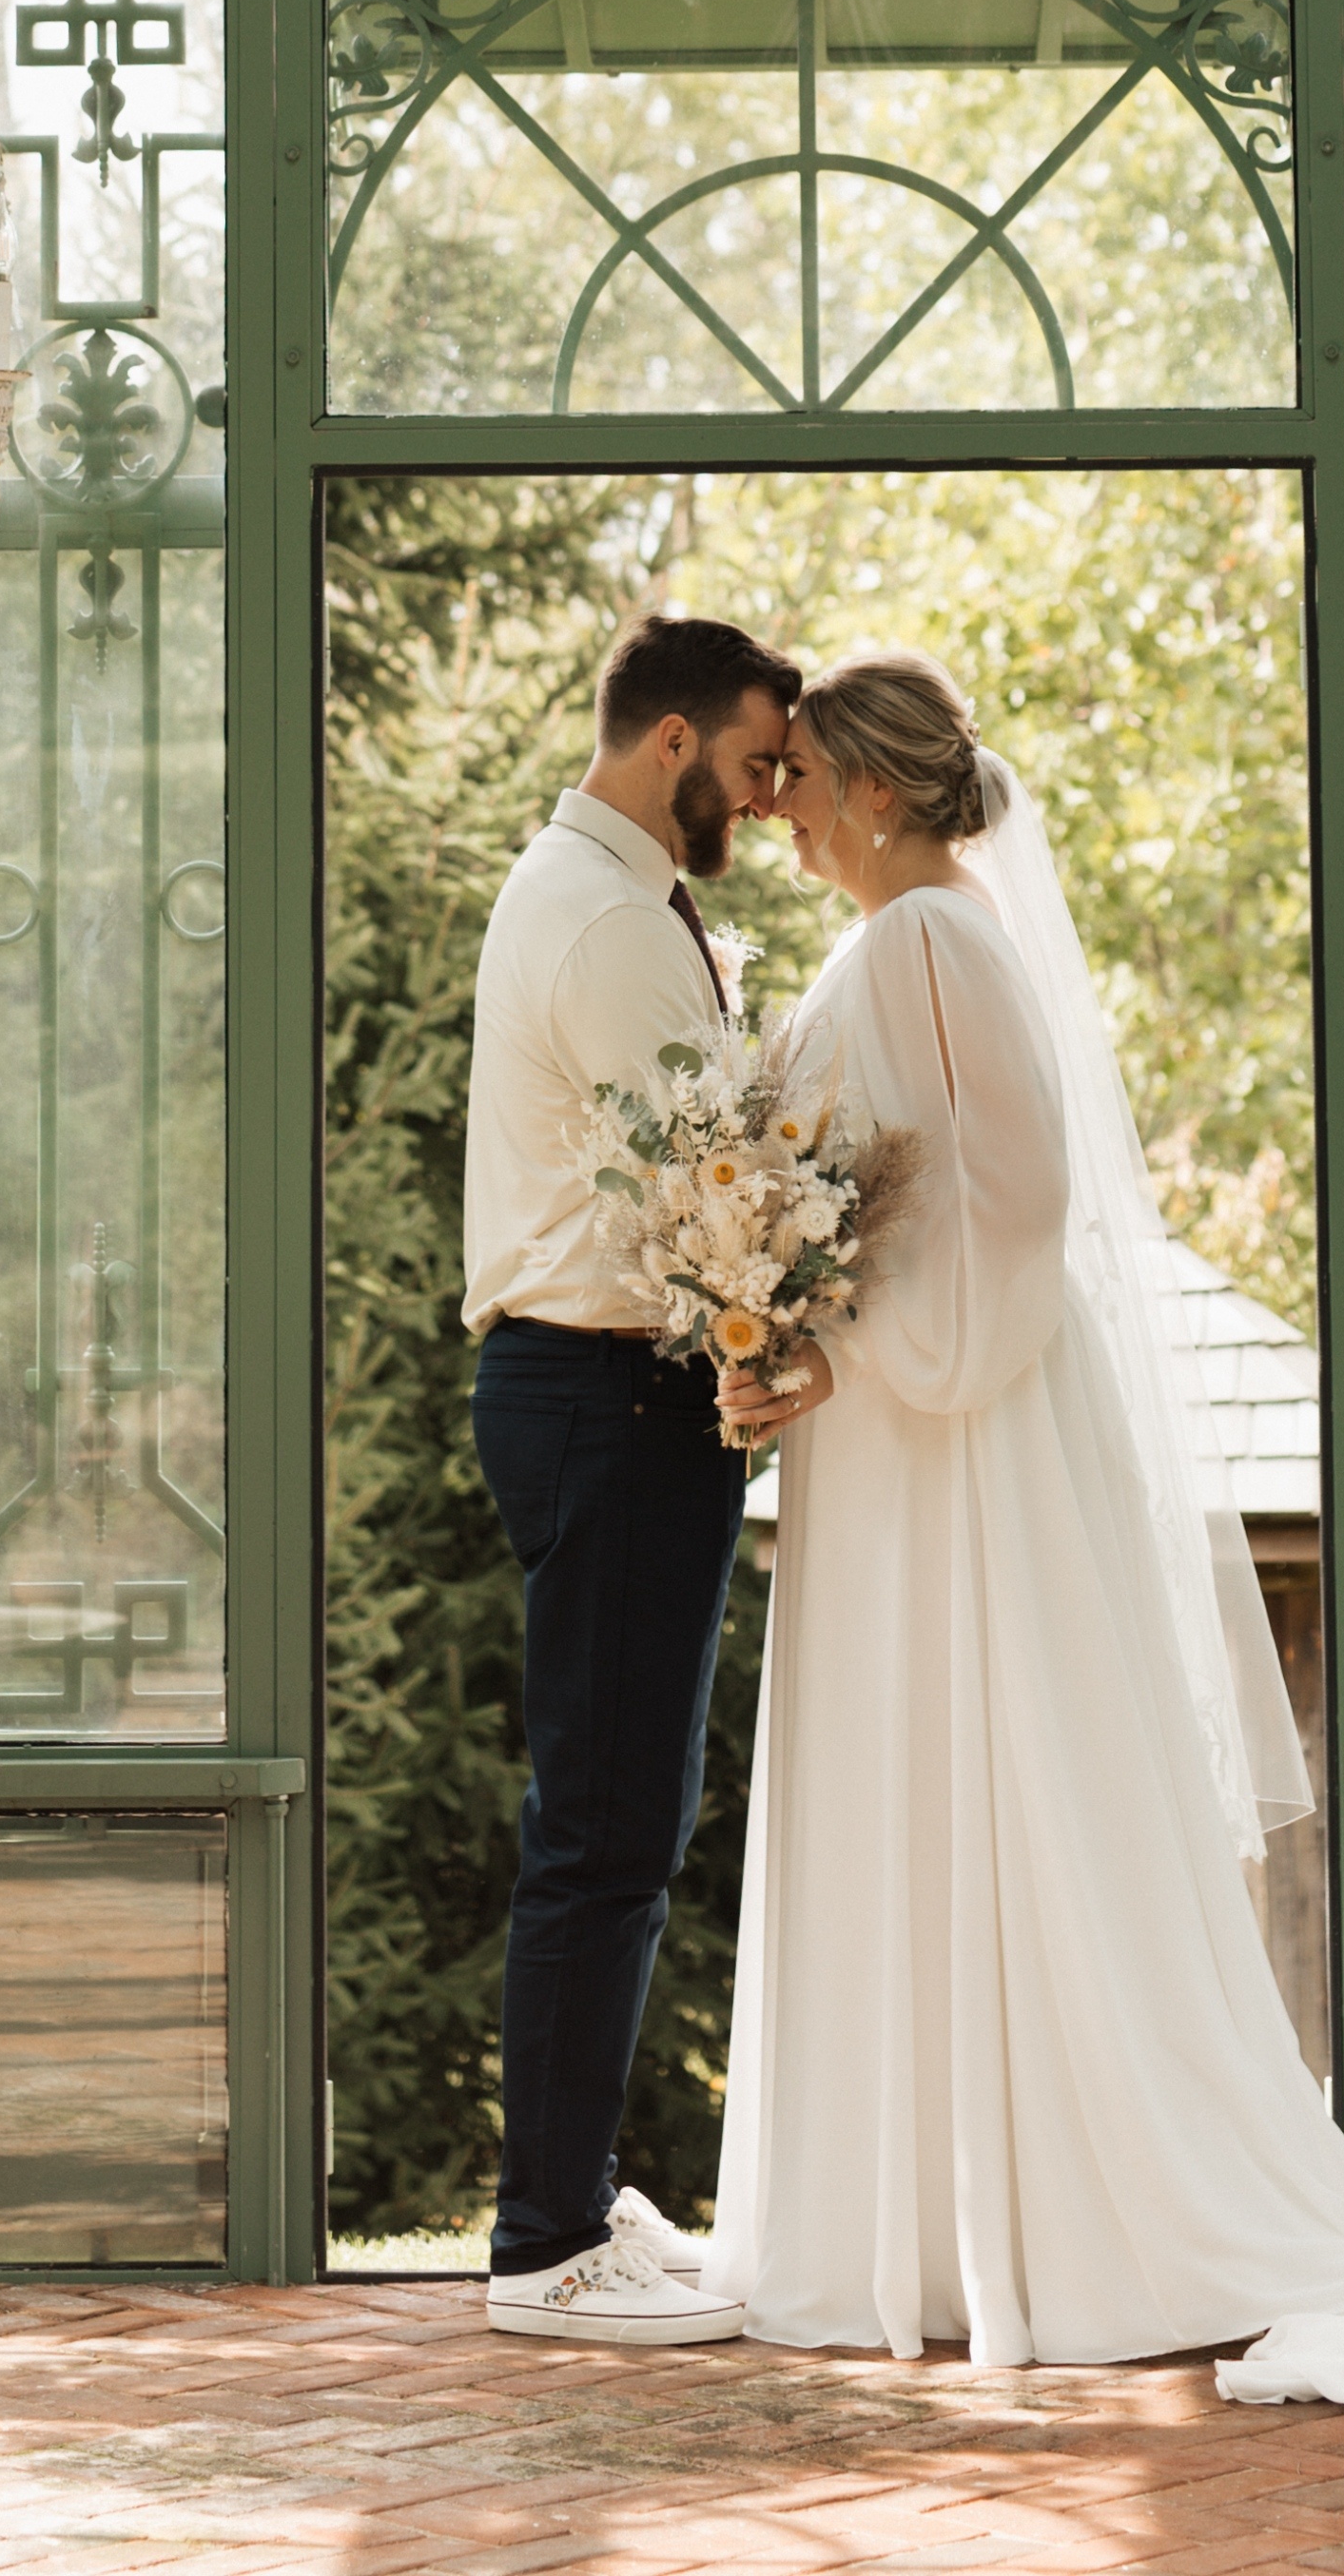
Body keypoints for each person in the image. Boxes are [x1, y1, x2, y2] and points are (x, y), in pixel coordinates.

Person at [707, 647, 1344, 2431]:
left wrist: (858, 1330)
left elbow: (1016, 1196)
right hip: (896, 1419)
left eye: (796, 779)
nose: (775, 810)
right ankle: (935, 2215)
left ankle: (1027, 2215)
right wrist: (785, 1319)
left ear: (866, 788)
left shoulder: (932, 937)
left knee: (996, 1766)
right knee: (928, 1772)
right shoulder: (905, 940)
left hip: (963, 1423)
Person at [463, 605, 798, 2349]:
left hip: (605, 1393)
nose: (761, 797)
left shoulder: (603, 895)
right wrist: (768, 1329)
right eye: (751, 763)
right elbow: (709, 1179)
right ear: (671, 743)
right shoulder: (605, 917)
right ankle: (543, 2251)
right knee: (602, 1832)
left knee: (628, 1819)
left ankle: (579, 2196)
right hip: (603, 1393)